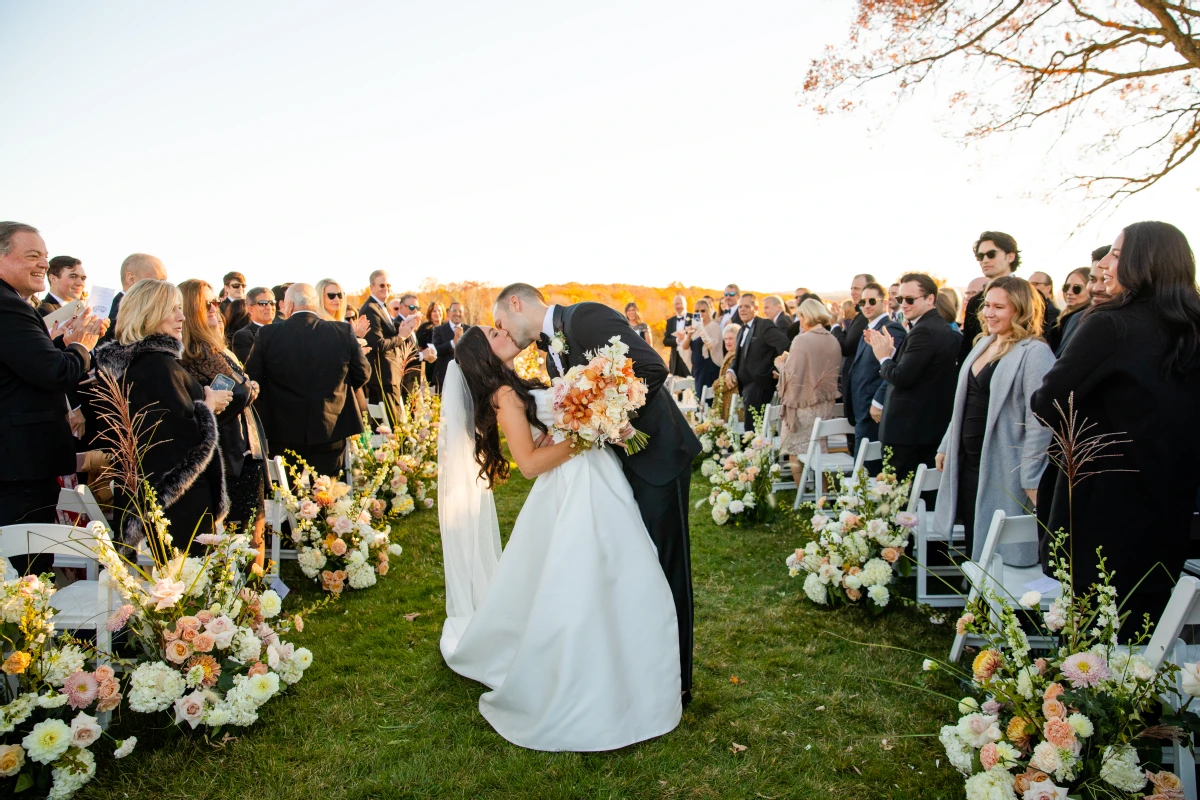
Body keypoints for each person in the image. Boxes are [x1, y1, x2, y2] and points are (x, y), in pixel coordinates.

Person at [437, 326, 682, 751]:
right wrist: (587, 435)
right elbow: (529, 464)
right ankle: (592, 678)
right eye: (495, 333)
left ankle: (629, 670)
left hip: (591, 479)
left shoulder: (516, 385)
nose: (504, 333)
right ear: (483, 353)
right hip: (574, 487)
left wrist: (590, 419)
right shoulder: (505, 395)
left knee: (619, 574)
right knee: (589, 577)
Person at [492, 282, 701, 708]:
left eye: (499, 323)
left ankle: (678, 682)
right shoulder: (550, 349)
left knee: (668, 570)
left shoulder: (584, 316)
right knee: (641, 572)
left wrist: (603, 416)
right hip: (622, 468)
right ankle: (645, 668)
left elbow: (650, 367)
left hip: (658, 457)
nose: (502, 331)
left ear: (516, 303)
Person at [1032, 221, 1200, 633]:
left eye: (1118, 254)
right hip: (1172, 498)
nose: (1106, 263)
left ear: (1145, 262)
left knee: (1097, 621)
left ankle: (1088, 695)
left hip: (1102, 500)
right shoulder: (1194, 326)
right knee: (1148, 620)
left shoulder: (1111, 324)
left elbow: (1047, 401)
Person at [93, 279, 232, 551]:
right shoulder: (158, 365)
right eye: (172, 309)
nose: (181, 317)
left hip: (151, 493)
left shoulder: (138, 363)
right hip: (176, 498)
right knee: (186, 582)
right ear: (149, 313)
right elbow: (179, 437)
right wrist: (208, 405)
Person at [933, 277, 1054, 560]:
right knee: (976, 532)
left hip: (1003, 464)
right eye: (987, 305)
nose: (988, 313)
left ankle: (993, 601)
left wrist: (1031, 476)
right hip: (967, 462)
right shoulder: (983, 343)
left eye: (999, 307)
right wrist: (946, 445)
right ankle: (975, 596)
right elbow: (962, 404)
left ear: (1021, 310)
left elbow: (1040, 421)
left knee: (1000, 546)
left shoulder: (1035, 352)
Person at [0, 223, 106, 534]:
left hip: (19, 464)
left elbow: (22, 365)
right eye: (32, 255)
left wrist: (60, 345)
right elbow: (54, 372)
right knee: (26, 569)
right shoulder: (7, 306)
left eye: (45, 256)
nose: (44, 264)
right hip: (20, 466)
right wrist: (79, 347)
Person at [178, 279, 268, 565]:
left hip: (243, 445)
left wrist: (247, 386)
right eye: (208, 304)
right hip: (230, 452)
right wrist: (249, 387)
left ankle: (255, 595)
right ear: (191, 311)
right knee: (242, 535)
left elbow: (241, 385)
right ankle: (249, 598)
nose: (216, 308)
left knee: (252, 529)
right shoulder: (197, 351)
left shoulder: (213, 346)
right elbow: (240, 390)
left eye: (216, 301)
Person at [247, 283, 372, 477]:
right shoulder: (342, 331)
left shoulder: (267, 334)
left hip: (282, 428)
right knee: (325, 494)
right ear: (315, 304)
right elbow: (363, 373)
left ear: (288, 306)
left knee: (287, 493)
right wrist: (336, 391)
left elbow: (254, 379)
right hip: (330, 424)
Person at [864, 272, 960, 483]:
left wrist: (883, 358)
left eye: (909, 299)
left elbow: (901, 377)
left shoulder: (924, 331)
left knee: (898, 499)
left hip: (908, 431)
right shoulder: (937, 327)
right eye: (899, 299)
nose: (903, 305)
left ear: (930, 299)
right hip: (924, 428)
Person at [774, 299, 841, 487]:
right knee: (820, 449)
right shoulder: (833, 339)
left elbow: (791, 374)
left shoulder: (801, 340)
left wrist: (779, 364)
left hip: (802, 405)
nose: (799, 320)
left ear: (806, 316)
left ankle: (801, 492)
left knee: (795, 450)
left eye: (799, 316)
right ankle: (824, 495)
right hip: (825, 404)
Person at [842, 283, 906, 474]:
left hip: (874, 411)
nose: (866, 305)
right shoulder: (869, 327)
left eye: (872, 301)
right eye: (863, 301)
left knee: (869, 471)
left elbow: (893, 369)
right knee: (862, 468)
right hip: (861, 409)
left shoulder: (891, 329)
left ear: (884, 302)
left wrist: (878, 402)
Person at [360, 270, 422, 407]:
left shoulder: (381, 308)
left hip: (391, 377)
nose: (386, 289)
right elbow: (377, 345)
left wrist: (405, 328)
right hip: (383, 378)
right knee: (390, 426)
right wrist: (401, 336)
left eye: (388, 285)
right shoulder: (370, 309)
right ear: (372, 287)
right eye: (382, 285)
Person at [725, 293, 790, 417]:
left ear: (755, 308)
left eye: (747, 306)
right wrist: (731, 371)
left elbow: (785, 345)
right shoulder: (741, 331)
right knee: (749, 431)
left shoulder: (764, 325)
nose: (742, 309)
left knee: (755, 432)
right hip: (744, 388)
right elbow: (739, 358)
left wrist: (777, 369)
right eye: (740, 307)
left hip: (760, 387)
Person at [961, 232, 1019, 364]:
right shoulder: (975, 301)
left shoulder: (1030, 296)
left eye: (991, 254)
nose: (985, 260)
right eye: (980, 256)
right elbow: (967, 348)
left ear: (1010, 256)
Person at [106, 253, 167, 339]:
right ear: (131, 279)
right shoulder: (113, 318)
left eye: (164, 282)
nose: (164, 287)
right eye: (158, 280)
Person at [678, 298, 721, 395]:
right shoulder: (695, 327)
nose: (700, 313)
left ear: (709, 311)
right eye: (697, 311)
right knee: (698, 398)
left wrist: (701, 330)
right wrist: (689, 334)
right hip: (696, 368)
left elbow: (711, 346)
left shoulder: (713, 326)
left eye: (703, 311)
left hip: (708, 368)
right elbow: (685, 347)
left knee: (705, 398)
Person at [1046, 268, 1090, 355]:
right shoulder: (1063, 319)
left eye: (1076, 288)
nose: (1069, 292)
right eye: (1066, 287)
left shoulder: (1087, 321)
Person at [430, 302, 468, 389]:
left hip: (463, 377)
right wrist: (453, 343)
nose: (457, 314)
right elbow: (436, 350)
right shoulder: (438, 330)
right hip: (443, 377)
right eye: (454, 310)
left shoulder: (469, 330)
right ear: (448, 313)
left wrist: (462, 341)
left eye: (460, 311)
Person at [232, 286, 275, 362]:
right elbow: (251, 366)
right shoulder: (243, 336)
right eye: (263, 303)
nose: (269, 307)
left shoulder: (284, 330)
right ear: (250, 309)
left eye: (272, 303)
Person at [712, 323, 741, 421]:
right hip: (725, 400)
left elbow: (732, 379)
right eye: (726, 339)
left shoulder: (738, 356)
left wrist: (715, 386)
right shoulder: (730, 353)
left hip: (733, 402)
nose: (728, 342)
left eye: (731, 338)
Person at [662, 295, 692, 378]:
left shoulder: (693, 318)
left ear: (685, 304)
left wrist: (687, 338)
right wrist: (677, 340)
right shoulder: (670, 321)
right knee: (676, 389)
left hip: (690, 359)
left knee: (691, 388)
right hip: (676, 360)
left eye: (681, 304)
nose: (678, 306)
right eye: (676, 304)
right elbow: (665, 341)